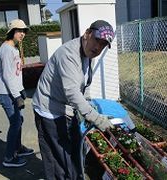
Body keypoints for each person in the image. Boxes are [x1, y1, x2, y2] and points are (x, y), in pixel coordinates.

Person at [32, 20, 115, 179]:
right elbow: (72, 92)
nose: (98, 47)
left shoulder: (89, 54)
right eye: (97, 40)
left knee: (72, 151)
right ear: (87, 34)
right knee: (59, 157)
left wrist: (88, 104)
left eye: (103, 44)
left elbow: (84, 84)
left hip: (65, 107)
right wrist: (96, 118)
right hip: (49, 109)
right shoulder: (69, 54)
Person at [0, 19, 34, 168]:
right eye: (19, 31)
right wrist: (16, 95)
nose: (22, 34)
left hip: (12, 91)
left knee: (19, 121)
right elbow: (7, 76)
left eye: (24, 31)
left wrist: (21, 89)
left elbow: (15, 74)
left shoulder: (14, 49)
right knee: (16, 122)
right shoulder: (6, 49)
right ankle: (9, 157)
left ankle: (18, 148)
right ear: (12, 31)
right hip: (6, 93)